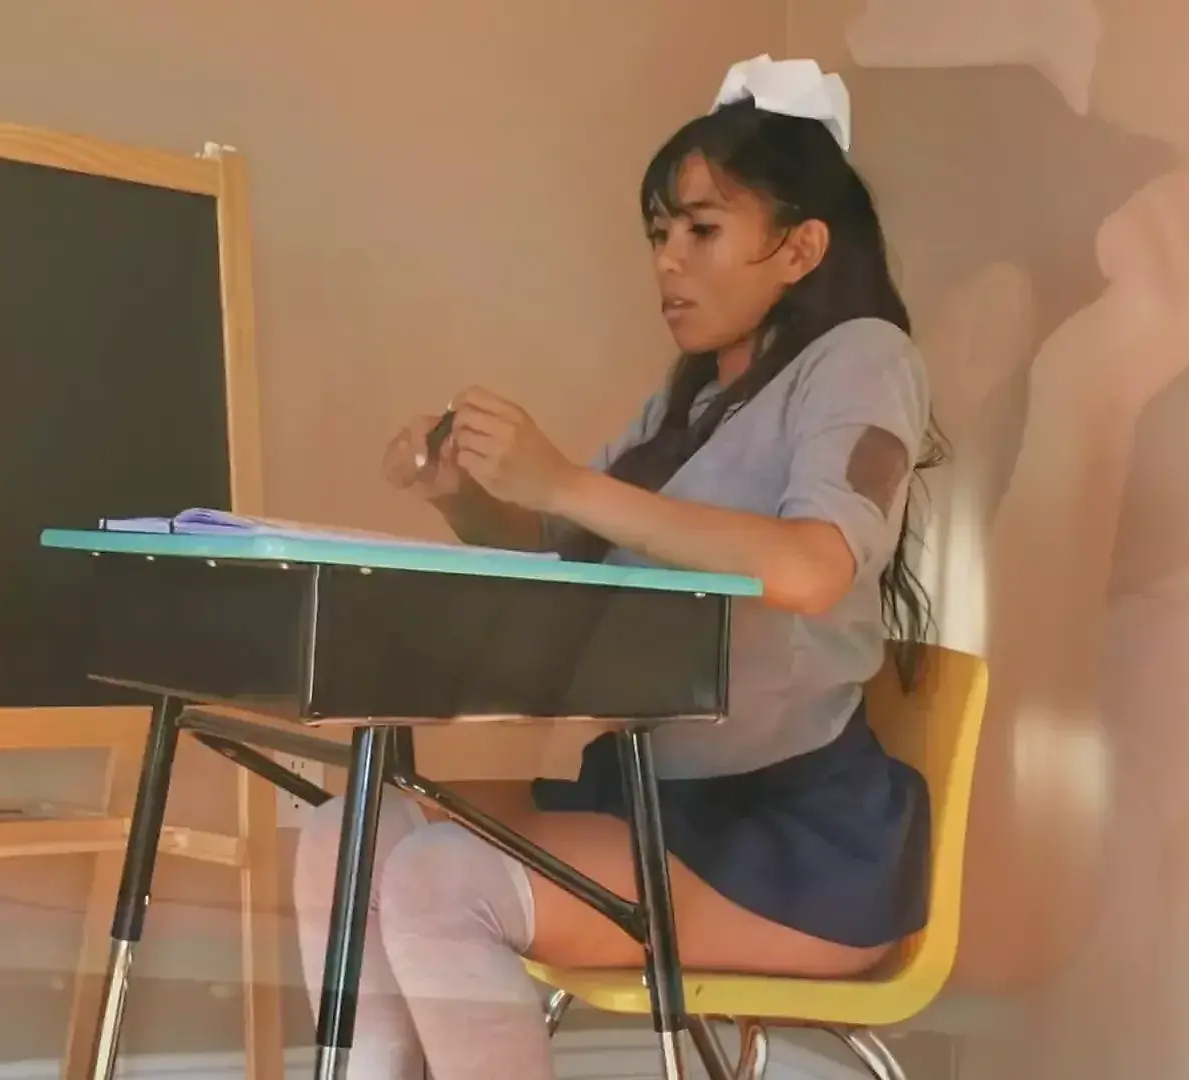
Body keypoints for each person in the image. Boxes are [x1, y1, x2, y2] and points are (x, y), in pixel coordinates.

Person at [291, 55, 943, 1078]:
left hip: (794, 841)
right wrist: (460, 495)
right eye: (657, 235)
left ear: (802, 247)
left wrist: (564, 481)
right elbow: (564, 559)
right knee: (347, 833)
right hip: (650, 799)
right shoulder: (690, 402)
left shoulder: (865, 358)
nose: (667, 263)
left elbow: (816, 567)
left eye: (700, 230)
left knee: (438, 884)